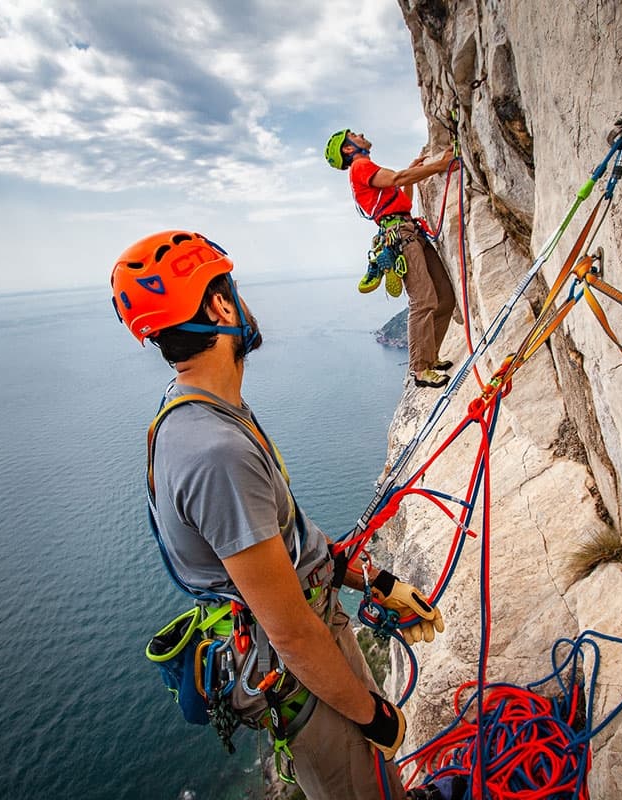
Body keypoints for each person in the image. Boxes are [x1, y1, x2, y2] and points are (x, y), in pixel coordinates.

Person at [110, 230, 446, 800]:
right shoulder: (215, 453)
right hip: (304, 675)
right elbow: (291, 633)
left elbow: (288, 543)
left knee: (375, 779)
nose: (243, 302)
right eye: (233, 290)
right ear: (219, 307)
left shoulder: (199, 409)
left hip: (309, 649)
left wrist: (375, 580)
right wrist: (373, 716)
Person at [326, 129, 459, 389]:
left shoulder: (366, 169)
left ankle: (430, 357)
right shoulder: (360, 167)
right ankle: (420, 369)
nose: (361, 134)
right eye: (354, 134)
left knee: (445, 296)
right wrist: (441, 164)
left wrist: (411, 174)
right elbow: (397, 178)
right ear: (348, 149)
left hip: (408, 230)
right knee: (424, 300)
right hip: (401, 235)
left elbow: (403, 200)